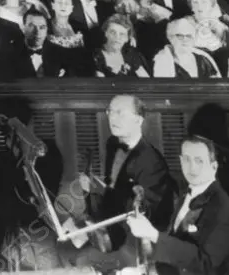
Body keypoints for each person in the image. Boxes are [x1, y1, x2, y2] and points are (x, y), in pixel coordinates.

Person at [66, 95, 174, 271]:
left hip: (134, 242)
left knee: (77, 261)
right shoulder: (113, 143)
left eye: (120, 113)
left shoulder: (152, 162)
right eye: (110, 112)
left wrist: (97, 228)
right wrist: (91, 193)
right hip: (110, 227)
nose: (112, 118)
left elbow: (151, 216)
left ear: (138, 120)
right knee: (66, 243)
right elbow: (113, 189)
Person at [126, 136, 229, 275]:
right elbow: (179, 254)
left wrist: (154, 235)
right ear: (180, 161)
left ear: (214, 167)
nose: (192, 167)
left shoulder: (223, 209)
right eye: (186, 159)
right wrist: (146, 271)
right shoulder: (185, 194)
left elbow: (207, 265)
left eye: (199, 161)